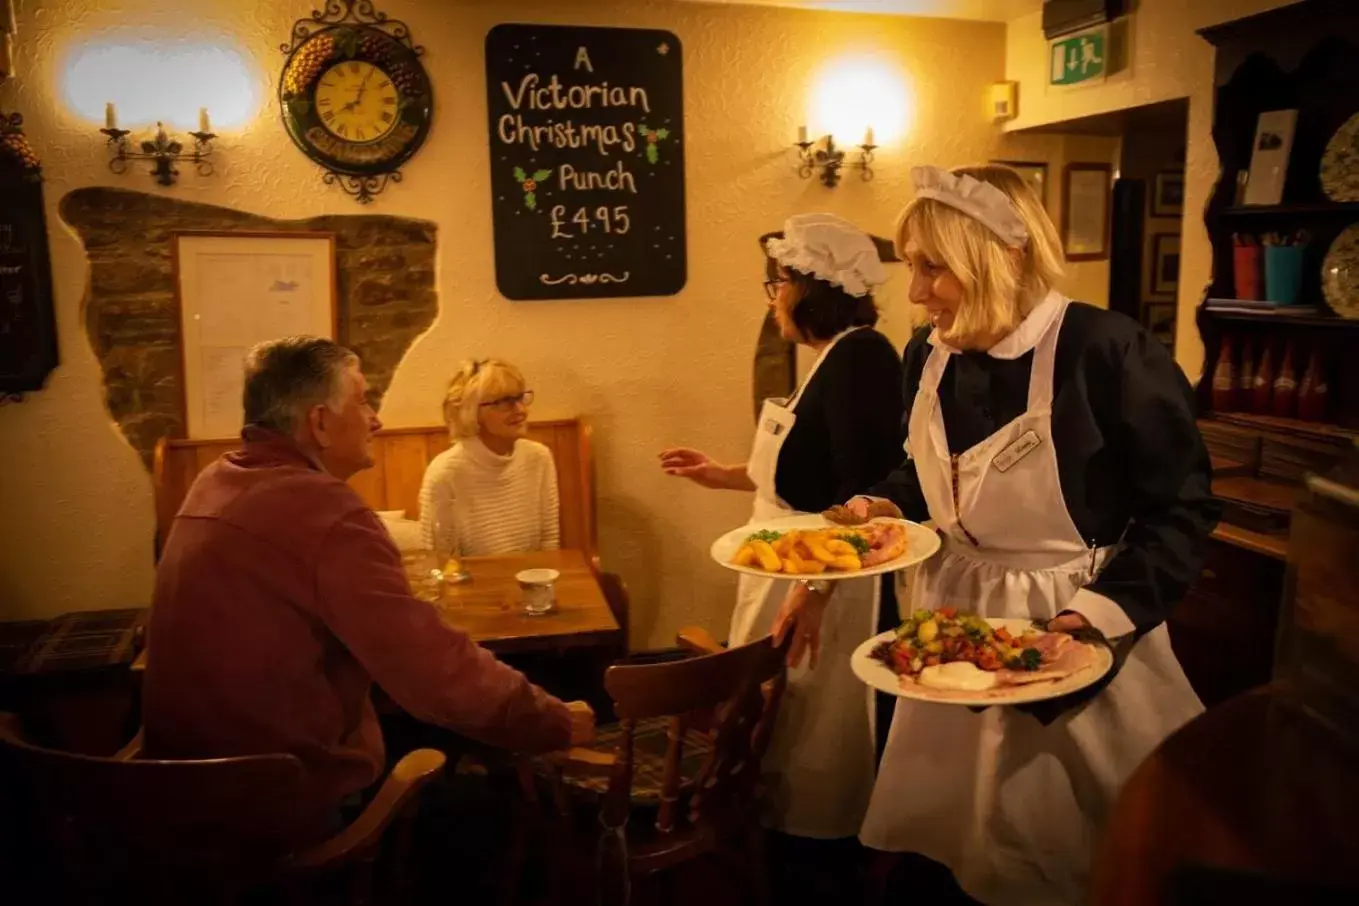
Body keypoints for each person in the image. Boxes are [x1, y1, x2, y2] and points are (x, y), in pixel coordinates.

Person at [779, 165, 1215, 905]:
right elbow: (925, 481)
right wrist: (864, 522)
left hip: (1070, 626)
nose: (913, 293)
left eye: (931, 268)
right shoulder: (929, 354)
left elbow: (1181, 512)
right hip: (951, 616)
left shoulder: (1107, 353)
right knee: (958, 840)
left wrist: (1090, 621)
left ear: (998, 255)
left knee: (1065, 849)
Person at [143, 337, 592, 844]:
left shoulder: (215, 480)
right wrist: (553, 719)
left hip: (174, 790)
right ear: (319, 423)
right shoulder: (325, 513)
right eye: (361, 401)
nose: (375, 418)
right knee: (504, 822)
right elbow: (431, 667)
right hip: (271, 814)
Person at [660, 213, 904, 842]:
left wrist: (821, 588)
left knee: (813, 724)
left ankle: (819, 844)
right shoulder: (830, 359)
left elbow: (860, 493)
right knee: (776, 713)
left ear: (811, 289)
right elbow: (800, 472)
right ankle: (779, 825)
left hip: (826, 576)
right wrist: (721, 475)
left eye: (780, 284)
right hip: (787, 564)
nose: (774, 300)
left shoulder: (862, 361)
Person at [419, 359, 560, 558]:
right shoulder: (444, 474)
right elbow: (440, 560)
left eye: (520, 398)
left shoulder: (539, 458)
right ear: (472, 413)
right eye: (504, 403)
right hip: (472, 587)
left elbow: (549, 543)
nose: (520, 410)